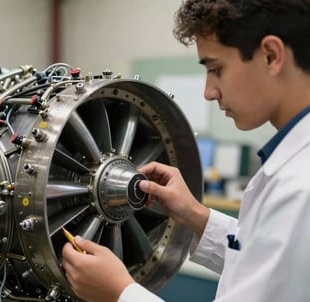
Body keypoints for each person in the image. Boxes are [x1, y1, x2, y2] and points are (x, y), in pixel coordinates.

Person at [62, 0, 310, 301]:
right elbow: (264, 262)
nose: (209, 92)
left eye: (216, 69)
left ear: (271, 56)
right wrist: (195, 215)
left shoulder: (299, 189)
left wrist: (119, 292)